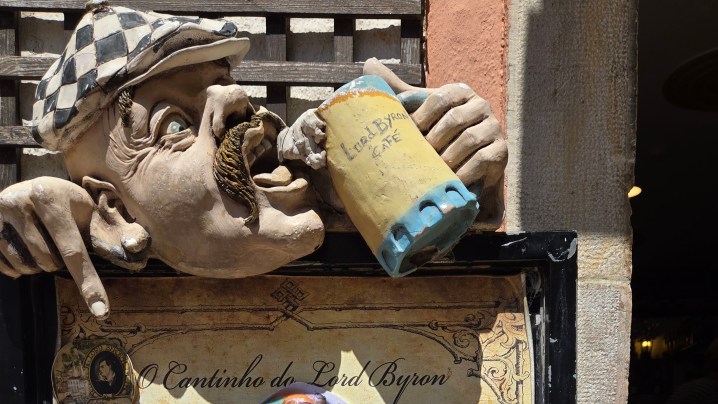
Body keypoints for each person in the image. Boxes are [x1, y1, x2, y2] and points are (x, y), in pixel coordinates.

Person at [0, 4, 507, 319]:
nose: (238, 104)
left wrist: (461, 169)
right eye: (174, 125)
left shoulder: (346, 190)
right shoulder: (84, 271)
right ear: (114, 211)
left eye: (225, 88)